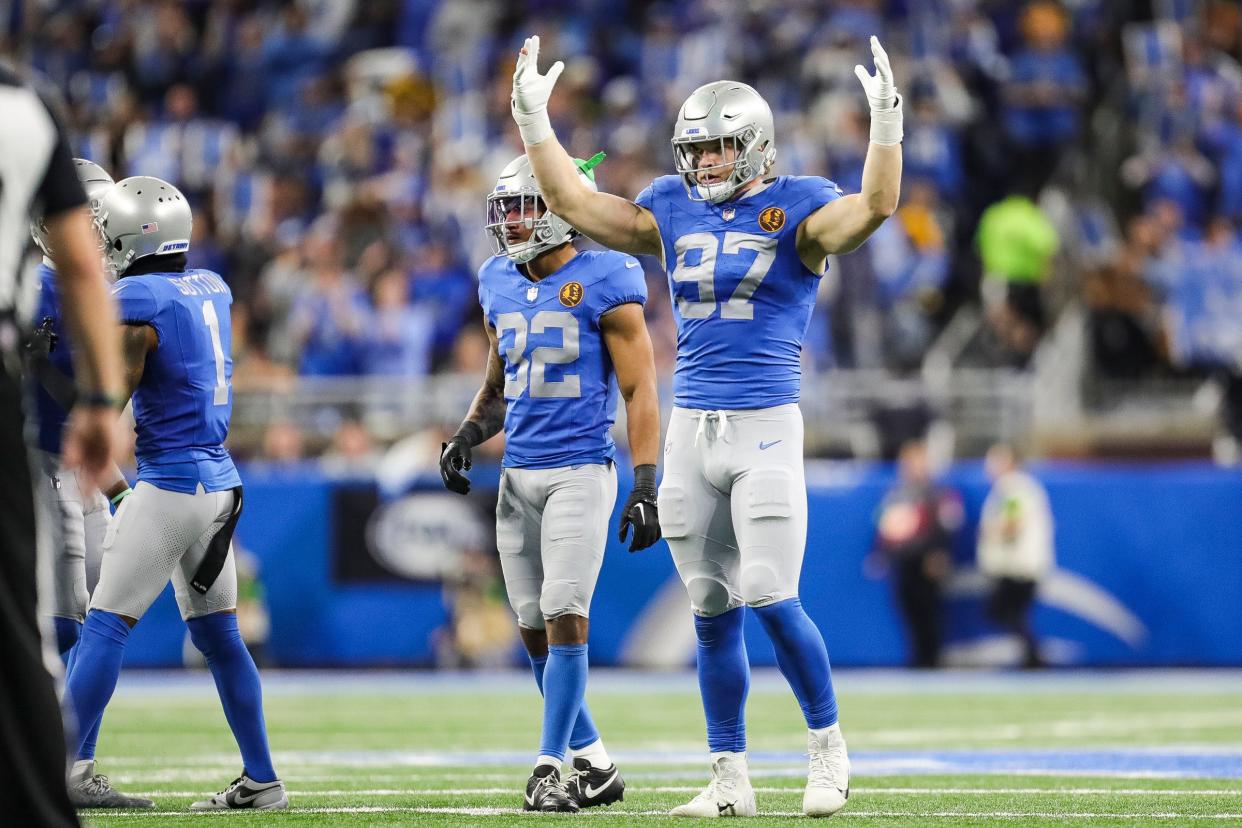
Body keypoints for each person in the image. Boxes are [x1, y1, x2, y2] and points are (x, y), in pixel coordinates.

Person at [510, 33, 903, 817]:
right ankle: (729, 778)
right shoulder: (668, 203)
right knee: (711, 606)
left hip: (764, 422)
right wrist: (533, 123)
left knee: (767, 590)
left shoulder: (797, 201)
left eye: (720, 149)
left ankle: (828, 750)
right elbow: (577, 205)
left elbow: (875, 208)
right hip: (693, 424)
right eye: (697, 150)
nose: (706, 163)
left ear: (754, 147)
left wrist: (886, 130)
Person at [439, 153, 662, 812]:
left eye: (523, 207)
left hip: (579, 471)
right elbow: (499, 384)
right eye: (504, 209)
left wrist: (646, 481)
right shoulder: (496, 281)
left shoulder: (609, 275)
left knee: (567, 617)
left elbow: (639, 388)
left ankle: (547, 767)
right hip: (517, 477)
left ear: (563, 212)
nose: (509, 222)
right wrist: (465, 436)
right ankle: (595, 765)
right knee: (532, 627)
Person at [63, 176, 287, 810]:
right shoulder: (210, 286)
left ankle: (52, 773)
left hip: (170, 485)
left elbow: (116, 390)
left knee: (103, 627)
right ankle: (262, 777)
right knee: (220, 637)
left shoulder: (135, 298)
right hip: (219, 484)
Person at [0, 66, 122, 828]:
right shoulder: (24, 102)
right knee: (24, 623)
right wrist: (103, 400)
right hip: (18, 418)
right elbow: (82, 267)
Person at [25, 158, 149, 808]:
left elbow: (92, 416)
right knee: (67, 623)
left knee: (99, 618)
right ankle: (49, 760)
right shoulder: (30, 290)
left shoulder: (108, 293)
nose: (97, 234)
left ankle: (76, 768)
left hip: (81, 474)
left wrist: (120, 486)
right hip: (36, 466)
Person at [868, 439, 962, 668]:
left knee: (929, 609)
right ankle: (918, 655)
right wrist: (880, 552)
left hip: (926, 560)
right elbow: (885, 526)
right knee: (907, 607)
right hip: (903, 560)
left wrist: (939, 553)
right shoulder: (896, 493)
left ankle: (932, 657)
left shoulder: (937, 492)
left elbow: (947, 524)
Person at [978, 443, 1055, 668]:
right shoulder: (1012, 488)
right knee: (1008, 614)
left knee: (1006, 612)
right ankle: (1032, 656)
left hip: (1018, 566)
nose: (989, 467)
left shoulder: (1014, 487)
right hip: (1017, 564)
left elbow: (1012, 523)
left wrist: (990, 530)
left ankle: (1034, 657)